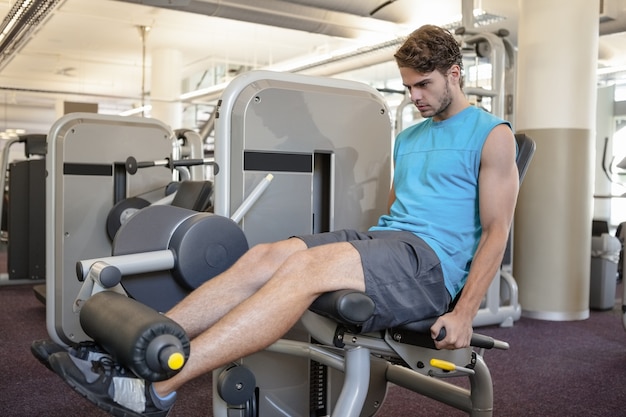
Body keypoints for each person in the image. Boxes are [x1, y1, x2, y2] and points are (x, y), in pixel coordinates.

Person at [35, 24, 519, 417]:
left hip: (430, 266)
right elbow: (398, 210)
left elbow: (497, 230)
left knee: (303, 271)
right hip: (391, 240)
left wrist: (463, 312)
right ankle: (132, 353)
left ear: (455, 73)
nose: (414, 97)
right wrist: (359, 251)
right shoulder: (410, 138)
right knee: (267, 254)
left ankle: (157, 386)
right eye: (409, 86)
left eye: (424, 85)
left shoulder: (491, 134)